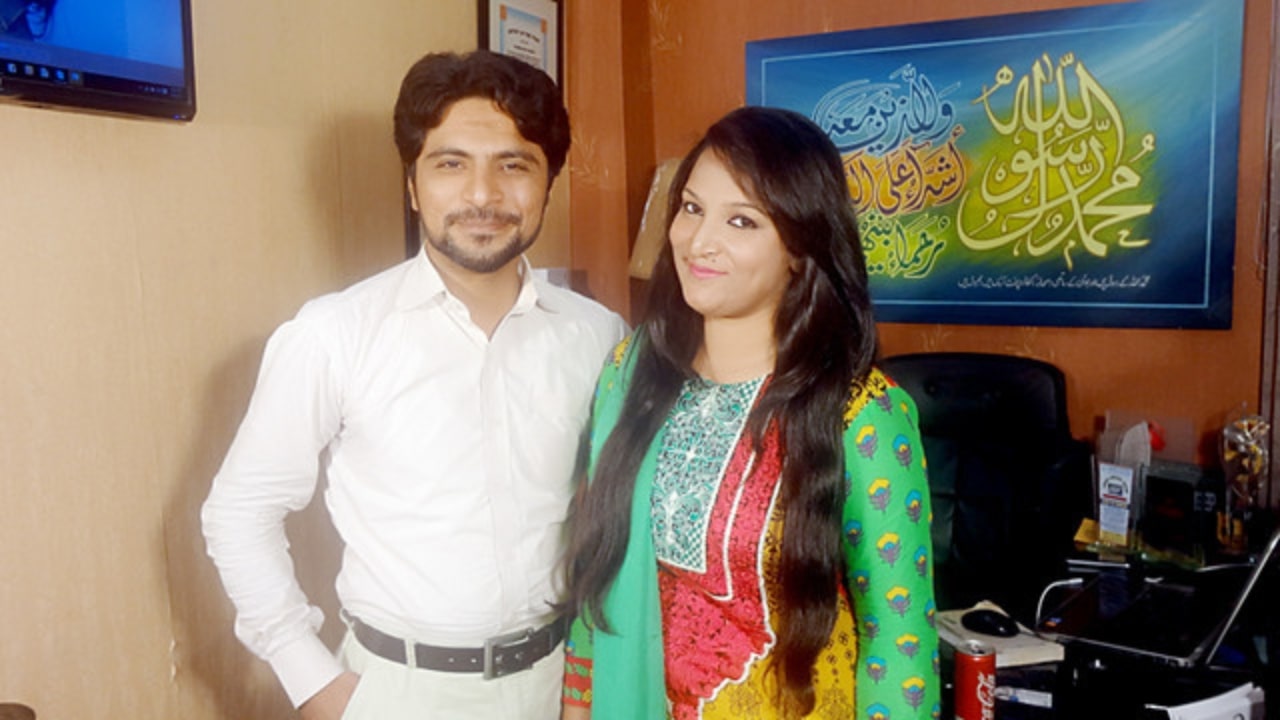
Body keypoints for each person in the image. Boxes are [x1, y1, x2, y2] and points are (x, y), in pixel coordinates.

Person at [202, 50, 627, 720]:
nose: (482, 195)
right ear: (412, 185)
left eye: (513, 165)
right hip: (395, 692)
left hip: (559, 686)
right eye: (451, 164)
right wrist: (309, 678)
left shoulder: (598, 335)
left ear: (549, 182)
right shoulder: (335, 334)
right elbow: (239, 511)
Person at [562, 106, 940, 719]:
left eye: (741, 220)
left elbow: (898, 645)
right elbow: (597, 565)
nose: (698, 242)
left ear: (799, 248)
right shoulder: (631, 374)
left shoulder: (861, 413)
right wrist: (579, 706)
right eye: (691, 208)